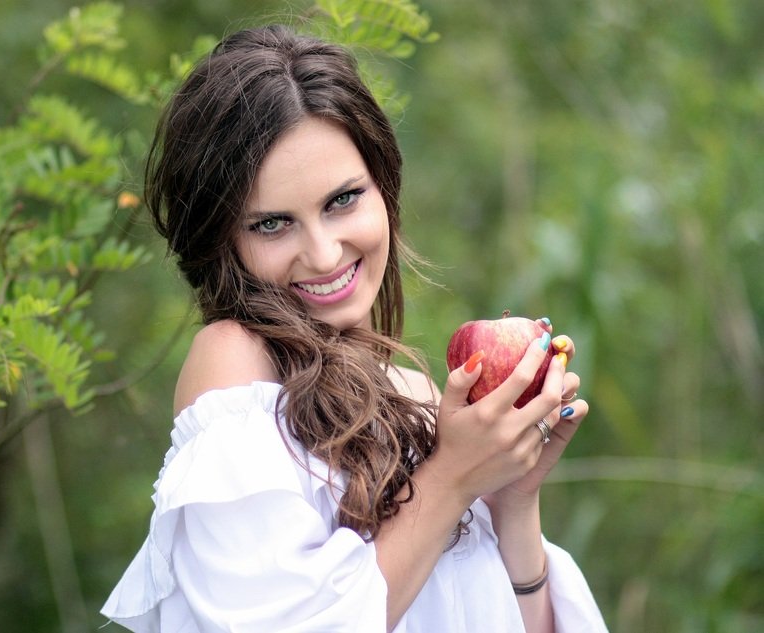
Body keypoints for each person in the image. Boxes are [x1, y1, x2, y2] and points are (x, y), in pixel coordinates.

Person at [101, 24, 609, 633]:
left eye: (342, 200)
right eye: (271, 225)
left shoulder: (422, 398)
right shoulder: (236, 363)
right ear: (221, 240)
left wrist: (510, 499)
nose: (322, 253)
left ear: (384, 189)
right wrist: (450, 479)